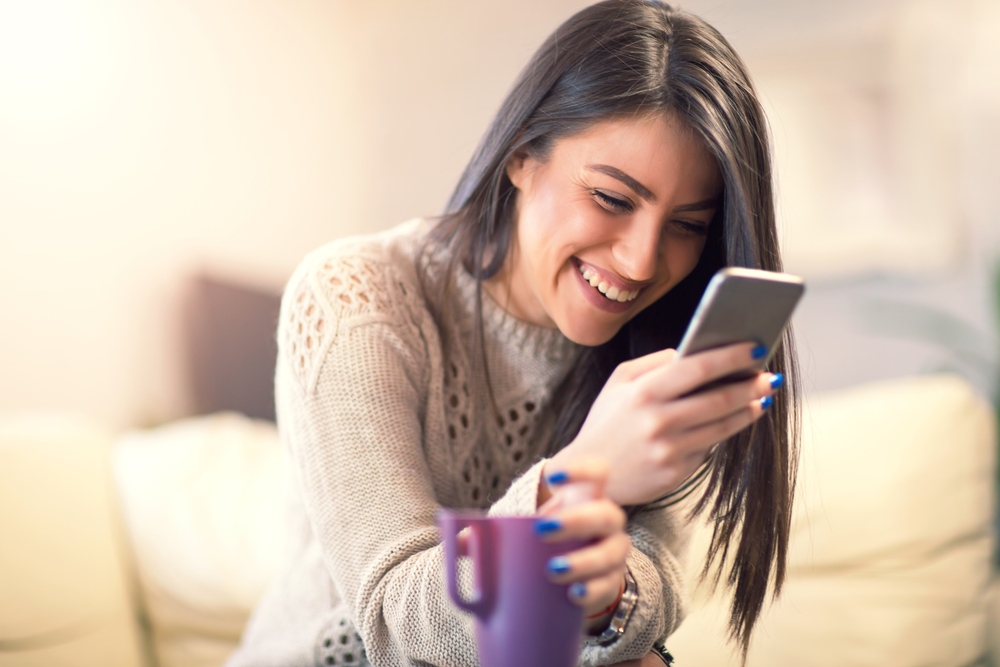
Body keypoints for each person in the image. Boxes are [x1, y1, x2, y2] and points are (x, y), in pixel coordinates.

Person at [226, 1, 798, 666]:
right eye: (612, 199)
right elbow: (394, 618)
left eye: (687, 225)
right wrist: (580, 477)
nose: (642, 261)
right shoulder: (354, 295)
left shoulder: (656, 342)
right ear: (523, 154)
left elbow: (660, 577)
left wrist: (606, 598)